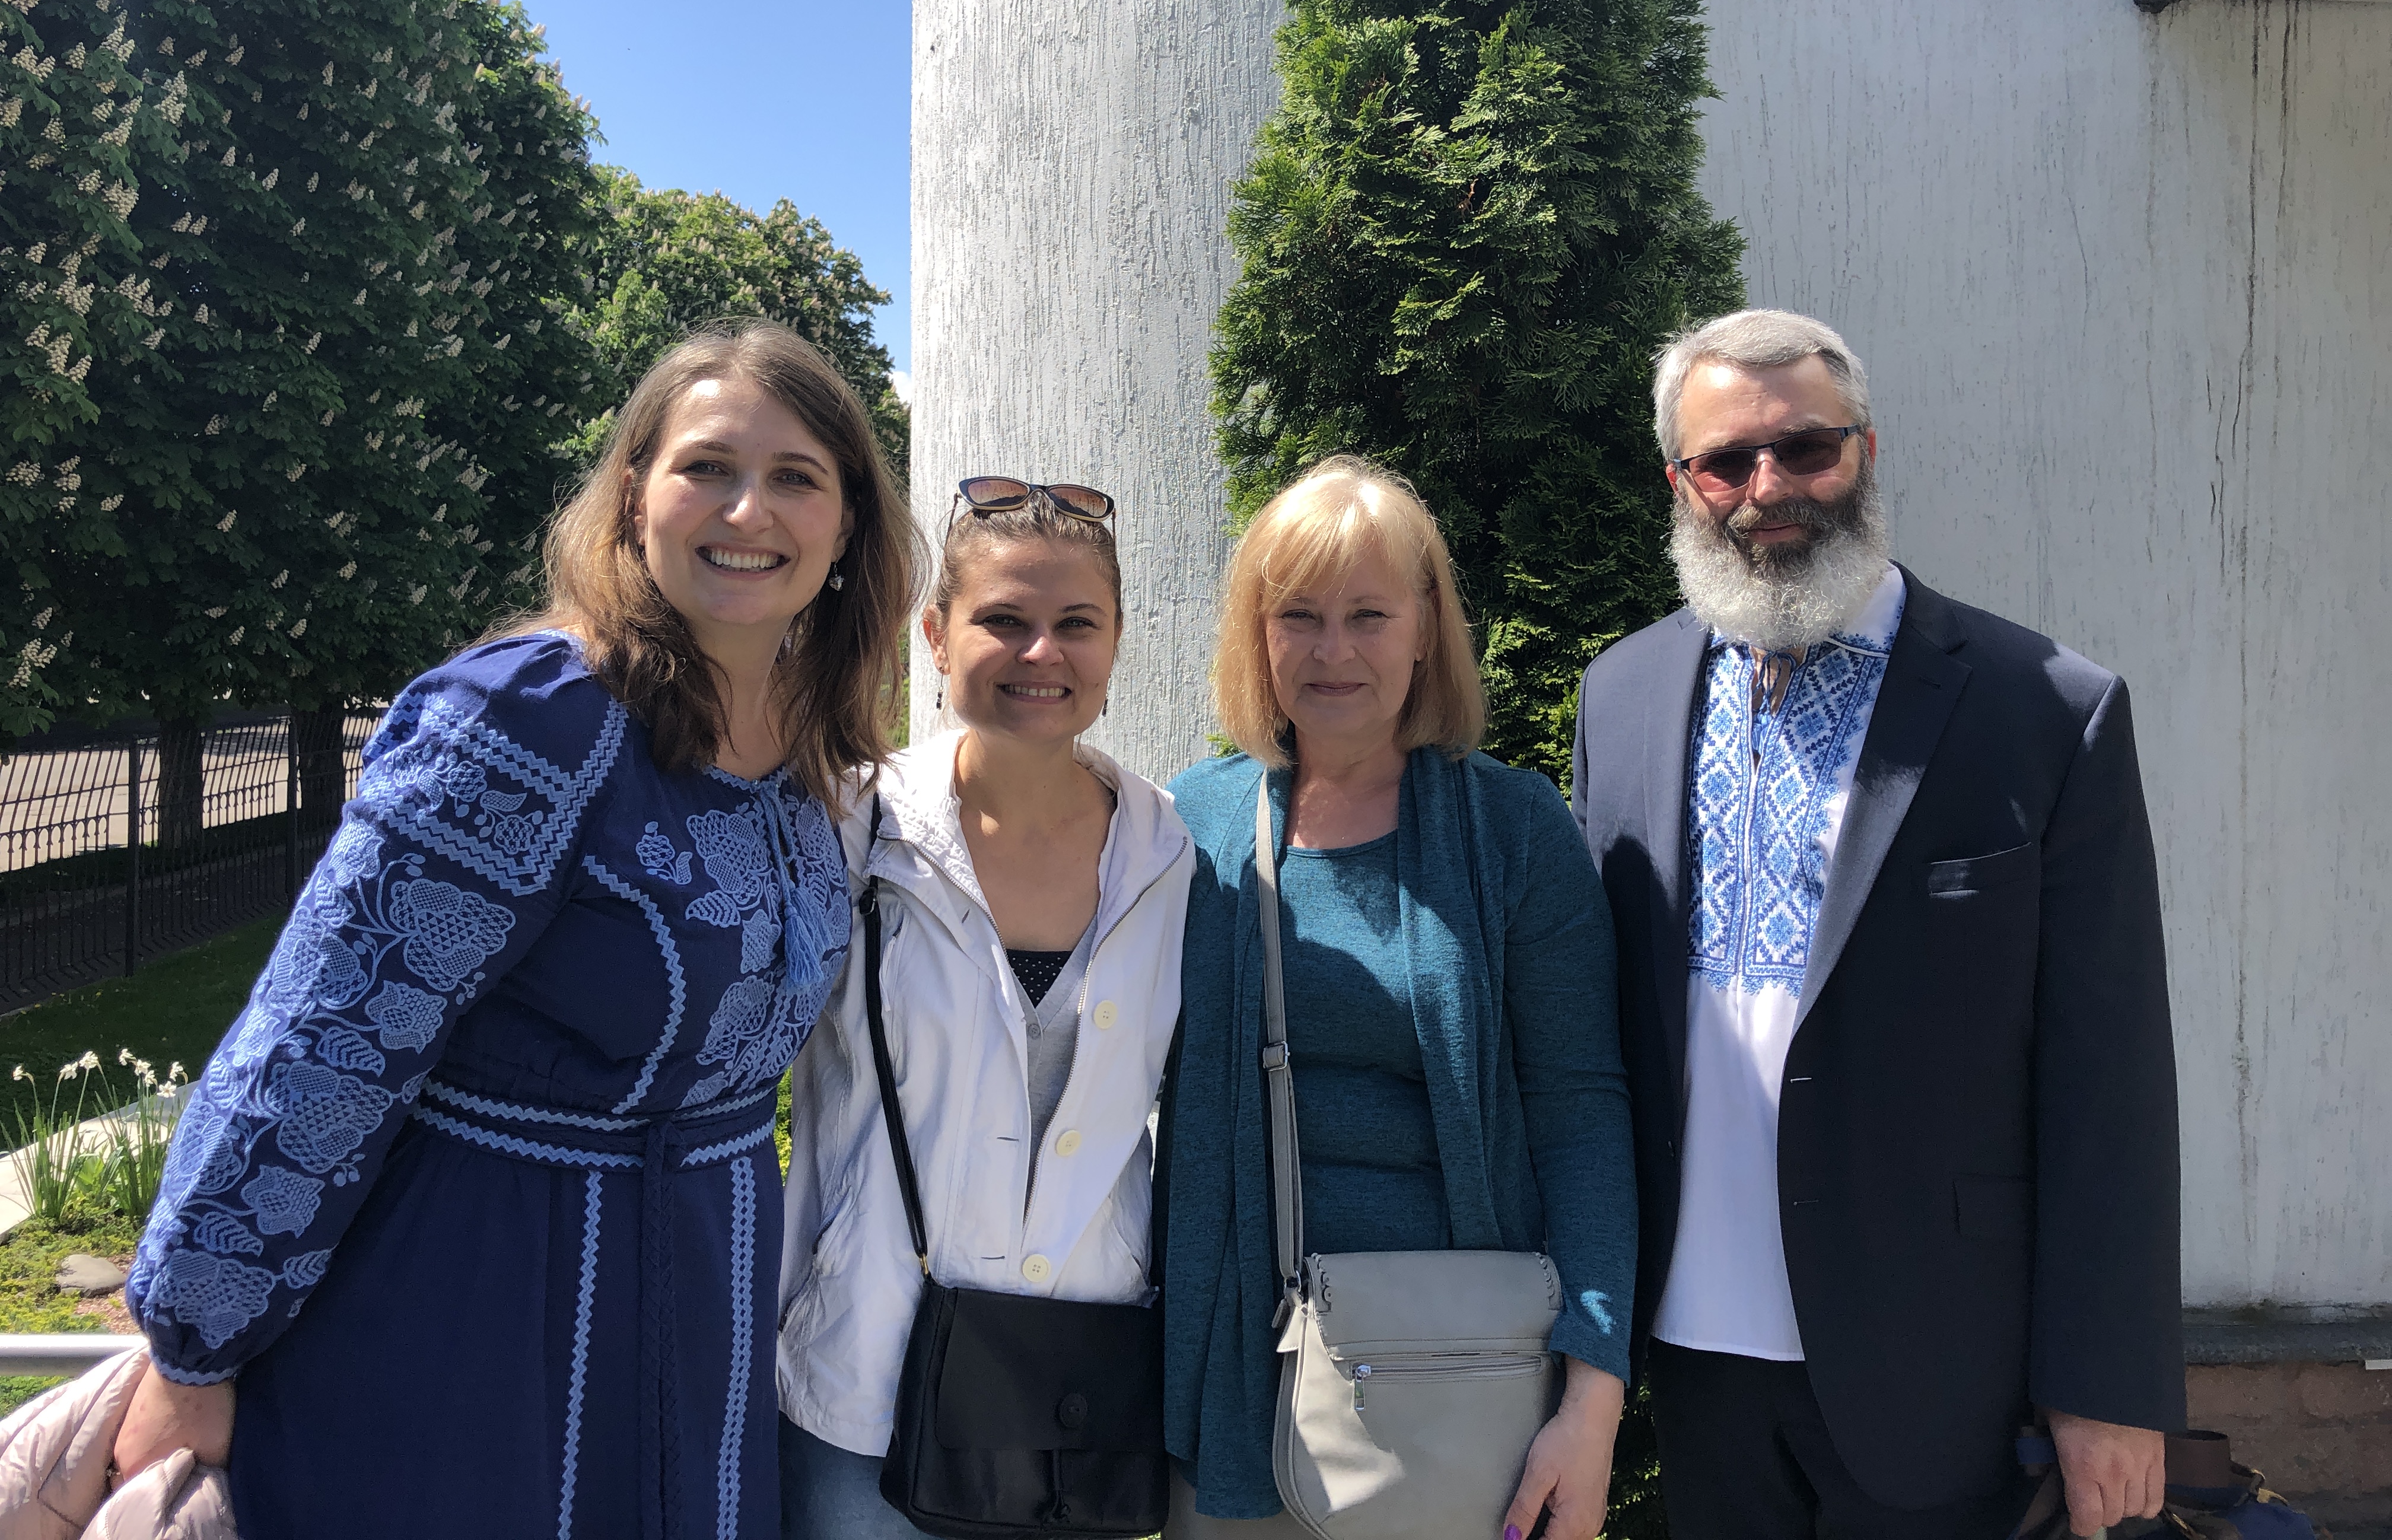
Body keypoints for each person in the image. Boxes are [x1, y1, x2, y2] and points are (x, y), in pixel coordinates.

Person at [113, 321, 919, 1539]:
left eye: (796, 477)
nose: (748, 510)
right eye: (707, 466)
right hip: (476, 1308)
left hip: (701, 1311)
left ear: (848, 525)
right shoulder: (532, 719)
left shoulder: (810, 755)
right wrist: (194, 1345)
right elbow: (325, 1041)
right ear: (635, 493)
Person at [1570, 308, 2183, 1540]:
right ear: (1680, 483)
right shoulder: (1621, 696)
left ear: (1866, 449)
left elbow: (2109, 1077)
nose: (1769, 488)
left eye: (1806, 447)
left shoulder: (2043, 711)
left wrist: (2107, 1386)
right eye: (1726, 462)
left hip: (1942, 1365)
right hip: (1695, 1358)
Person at [1159, 457, 1637, 1540]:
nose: (1334, 650)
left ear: (1425, 630)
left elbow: (1582, 1117)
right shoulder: (1185, 826)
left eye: (1369, 616)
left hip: (1459, 1386)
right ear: (1257, 634)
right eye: (1300, 616)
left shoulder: (1515, 831)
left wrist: (1594, 1398)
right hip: (1238, 1375)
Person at [777, 477, 1194, 1538]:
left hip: (1076, 1391)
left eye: (1076, 624)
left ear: (1116, 642)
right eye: (1003, 620)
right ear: (936, 635)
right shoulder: (850, 828)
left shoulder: (1169, 855)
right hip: (867, 1380)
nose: (1041, 653)